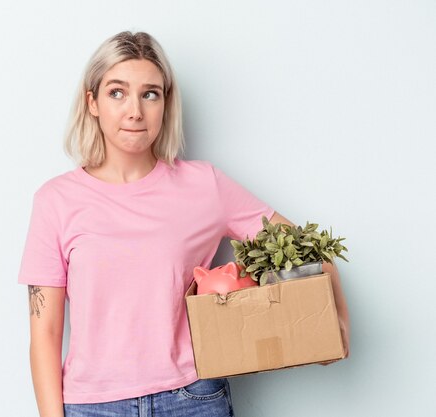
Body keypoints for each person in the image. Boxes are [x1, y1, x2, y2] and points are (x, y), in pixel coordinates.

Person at [18, 31, 350, 417]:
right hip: (92, 406)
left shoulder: (203, 185)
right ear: (92, 102)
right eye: (116, 92)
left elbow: (307, 251)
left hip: (192, 399)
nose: (134, 111)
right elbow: (44, 333)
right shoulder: (56, 200)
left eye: (150, 94)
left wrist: (336, 325)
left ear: (166, 102)